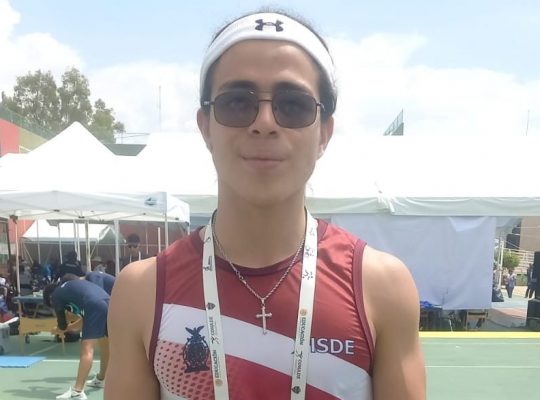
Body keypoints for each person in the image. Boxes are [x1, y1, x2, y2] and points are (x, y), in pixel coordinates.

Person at [105, 9, 425, 400]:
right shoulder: (143, 291)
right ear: (205, 126)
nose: (265, 121)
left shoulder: (382, 287)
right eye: (238, 103)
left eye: (293, 105)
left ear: (324, 133)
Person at [44, 279, 111, 399]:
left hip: (95, 305)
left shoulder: (56, 295)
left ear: (50, 297)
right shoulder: (72, 289)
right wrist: (67, 328)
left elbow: (62, 324)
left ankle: (77, 391)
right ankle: (101, 379)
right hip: (108, 302)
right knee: (104, 341)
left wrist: (59, 329)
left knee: (87, 349)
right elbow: (85, 321)